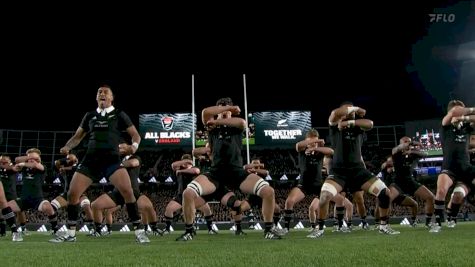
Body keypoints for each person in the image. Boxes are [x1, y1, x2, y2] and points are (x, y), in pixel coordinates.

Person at [49, 85, 149, 243]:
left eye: (105, 92)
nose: (102, 94)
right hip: (90, 160)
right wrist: (68, 146)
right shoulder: (89, 115)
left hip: (112, 160)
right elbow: (77, 136)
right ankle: (70, 234)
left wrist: (132, 147)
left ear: (111, 98)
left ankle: (139, 232)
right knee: (72, 194)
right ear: (96, 98)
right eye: (99, 92)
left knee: (128, 191)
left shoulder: (119, 114)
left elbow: (135, 135)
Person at [177, 97, 282, 240]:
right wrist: (226, 110)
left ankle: (269, 230)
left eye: (227, 108)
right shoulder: (212, 127)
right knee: (187, 193)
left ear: (232, 112)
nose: (224, 111)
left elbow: (242, 122)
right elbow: (205, 112)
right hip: (215, 173)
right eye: (221, 108)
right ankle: (189, 232)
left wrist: (219, 118)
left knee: (268, 192)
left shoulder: (234, 125)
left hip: (236, 172)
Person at [308, 102, 399, 238]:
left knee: (385, 192)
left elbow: (370, 123)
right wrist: (355, 108)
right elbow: (334, 114)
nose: (351, 112)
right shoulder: (335, 126)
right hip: (339, 172)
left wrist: (350, 123)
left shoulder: (358, 127)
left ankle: (383, 226)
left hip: (358, 171)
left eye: (353, 110)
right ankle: (319, 229)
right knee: (325, 196)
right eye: (348, 109)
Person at [90, 142, 162, 237]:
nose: (119, 149)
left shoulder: (135, 158)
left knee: (148, 207)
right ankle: (98, 231)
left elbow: (132, 163)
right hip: (118, 192)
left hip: (133, 191)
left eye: (122, 147)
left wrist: (115, 164)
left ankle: (154, 228)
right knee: (95, 205)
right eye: (118, 148)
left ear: (129, 148)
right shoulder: (116, 159)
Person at [431, 100, 475, 232]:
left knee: (458, 195)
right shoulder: (446, 127)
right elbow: (454, 112)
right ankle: (438, 223)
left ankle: (451, 217)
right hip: (449, 168)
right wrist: (458, 113)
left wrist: (464, 116)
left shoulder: (467, 128)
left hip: (466, 169)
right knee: (441, 190)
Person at [283, 129, 334, 234]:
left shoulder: (319, 152)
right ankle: (286, 228)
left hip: (318, 185)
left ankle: (320, 229)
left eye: (315, 141)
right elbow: (298, 145)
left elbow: (331, 151)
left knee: (321, 205)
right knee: (289, 201)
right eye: (311, 141)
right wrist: (311, 143)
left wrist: (317, 147)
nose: (313, 144)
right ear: (306, 141)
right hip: (304, 184)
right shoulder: (302, 150)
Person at [9, 148, 59, 239]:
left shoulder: (42, 167)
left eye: (34, 157)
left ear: (38, 158)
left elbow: (35, 164)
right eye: (29, 157)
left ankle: (55, 230)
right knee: (5, 208)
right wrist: (27, 159)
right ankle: (16, 231)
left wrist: (26, 162)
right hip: (24, 198)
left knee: (48, 207)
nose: (31, 159)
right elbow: (16, 159)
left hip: (37, 199)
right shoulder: (24, 168)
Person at [163, 153, 217, 235]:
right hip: (181, 195)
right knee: (169, 209)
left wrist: (181, 170)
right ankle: (167, 229)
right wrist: (183, 162)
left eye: (187, 161)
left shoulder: (192, 168)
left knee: (207, 210)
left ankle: (210, 229)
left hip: (194, 195)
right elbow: (173, 165)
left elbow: (196, 171)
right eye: (184, 161)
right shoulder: (178, 168)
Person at [390, 136, 435, 229]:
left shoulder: (413, 154)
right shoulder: (396, 153)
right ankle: (382, 224)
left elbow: (425, 154)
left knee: (430, 197)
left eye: (409, 142)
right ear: (400, 143)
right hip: (398, 182)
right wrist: (410, 144)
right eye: (405, 142)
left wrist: (411, 151)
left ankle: (426, 222)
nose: (408, 144)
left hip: (410, 181)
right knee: (386, 199)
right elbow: (395, 149)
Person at [50, 153, 95, 234]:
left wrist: (69, 165)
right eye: (67, 159)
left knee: (87, 206)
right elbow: (56, 163)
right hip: (67, 193)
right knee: (51, 207)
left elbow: (75, 168)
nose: (69, 160)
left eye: (71, 159)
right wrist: (65, 160)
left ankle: (92, 227)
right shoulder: (63, 168)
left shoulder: (80, 167)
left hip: (80, 193)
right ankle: (55, 228)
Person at [0, 155, 22, 241]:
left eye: (5, 161)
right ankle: (5, 231)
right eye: (1, 161)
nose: (2, 162)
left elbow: (14, 168)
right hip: (4, 192)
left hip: (10, 194)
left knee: (5, 208)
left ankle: (17, 230)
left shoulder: (11, 168)